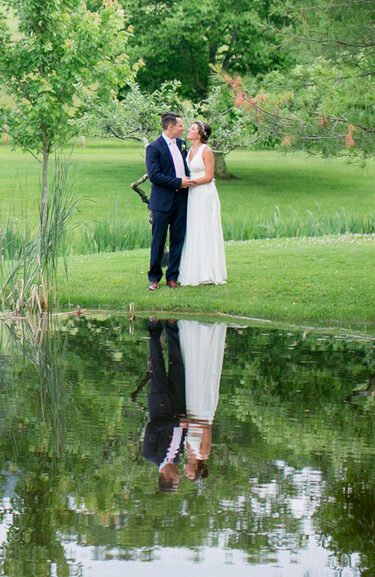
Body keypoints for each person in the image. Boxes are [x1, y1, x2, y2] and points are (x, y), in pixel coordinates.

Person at [144, 112, 190, 290]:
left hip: (181, 200)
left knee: (178, 239)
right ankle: (154, 278)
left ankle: (172, 277)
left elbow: (187, 167)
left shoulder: (181, 144)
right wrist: (178, 182)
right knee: (158, 240)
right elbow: (155, 176)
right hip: (162, 202)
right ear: (170, 127)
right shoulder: (154, 148)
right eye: (180, 125)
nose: (183, 129)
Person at [179, 120, 228, 286]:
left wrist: (193, 182)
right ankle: (195, 271)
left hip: (204, 192)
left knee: (205, 228)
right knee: (194, 229)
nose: (188, 130)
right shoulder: (189, 149)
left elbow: (208, 176)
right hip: (192, 193)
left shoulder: (206, 150)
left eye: (192, 129)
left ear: (199, 134)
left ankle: (208, 272)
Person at [178, 319, 227, 483]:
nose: (186, 472)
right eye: (189, 474)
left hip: (191, 411)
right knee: (202, 378)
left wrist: (185, 423)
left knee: (192, 377)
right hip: (201, 410)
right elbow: (207, 428)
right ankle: (206, 337)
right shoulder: (203, 452)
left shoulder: (188, 450)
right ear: (197, 470)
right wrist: (191, 423)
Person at [141, 319, 187, 492]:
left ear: (167, 477)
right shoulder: (177, 458)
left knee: (158, 365)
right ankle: (172, 326)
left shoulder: (151, 455)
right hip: (179, 407)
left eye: (176, 479)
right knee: (178, 367)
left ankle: (154, 327)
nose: (179, 476)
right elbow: (181, 436)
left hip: (160, 405)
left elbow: (153, 428)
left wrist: (176, 423)